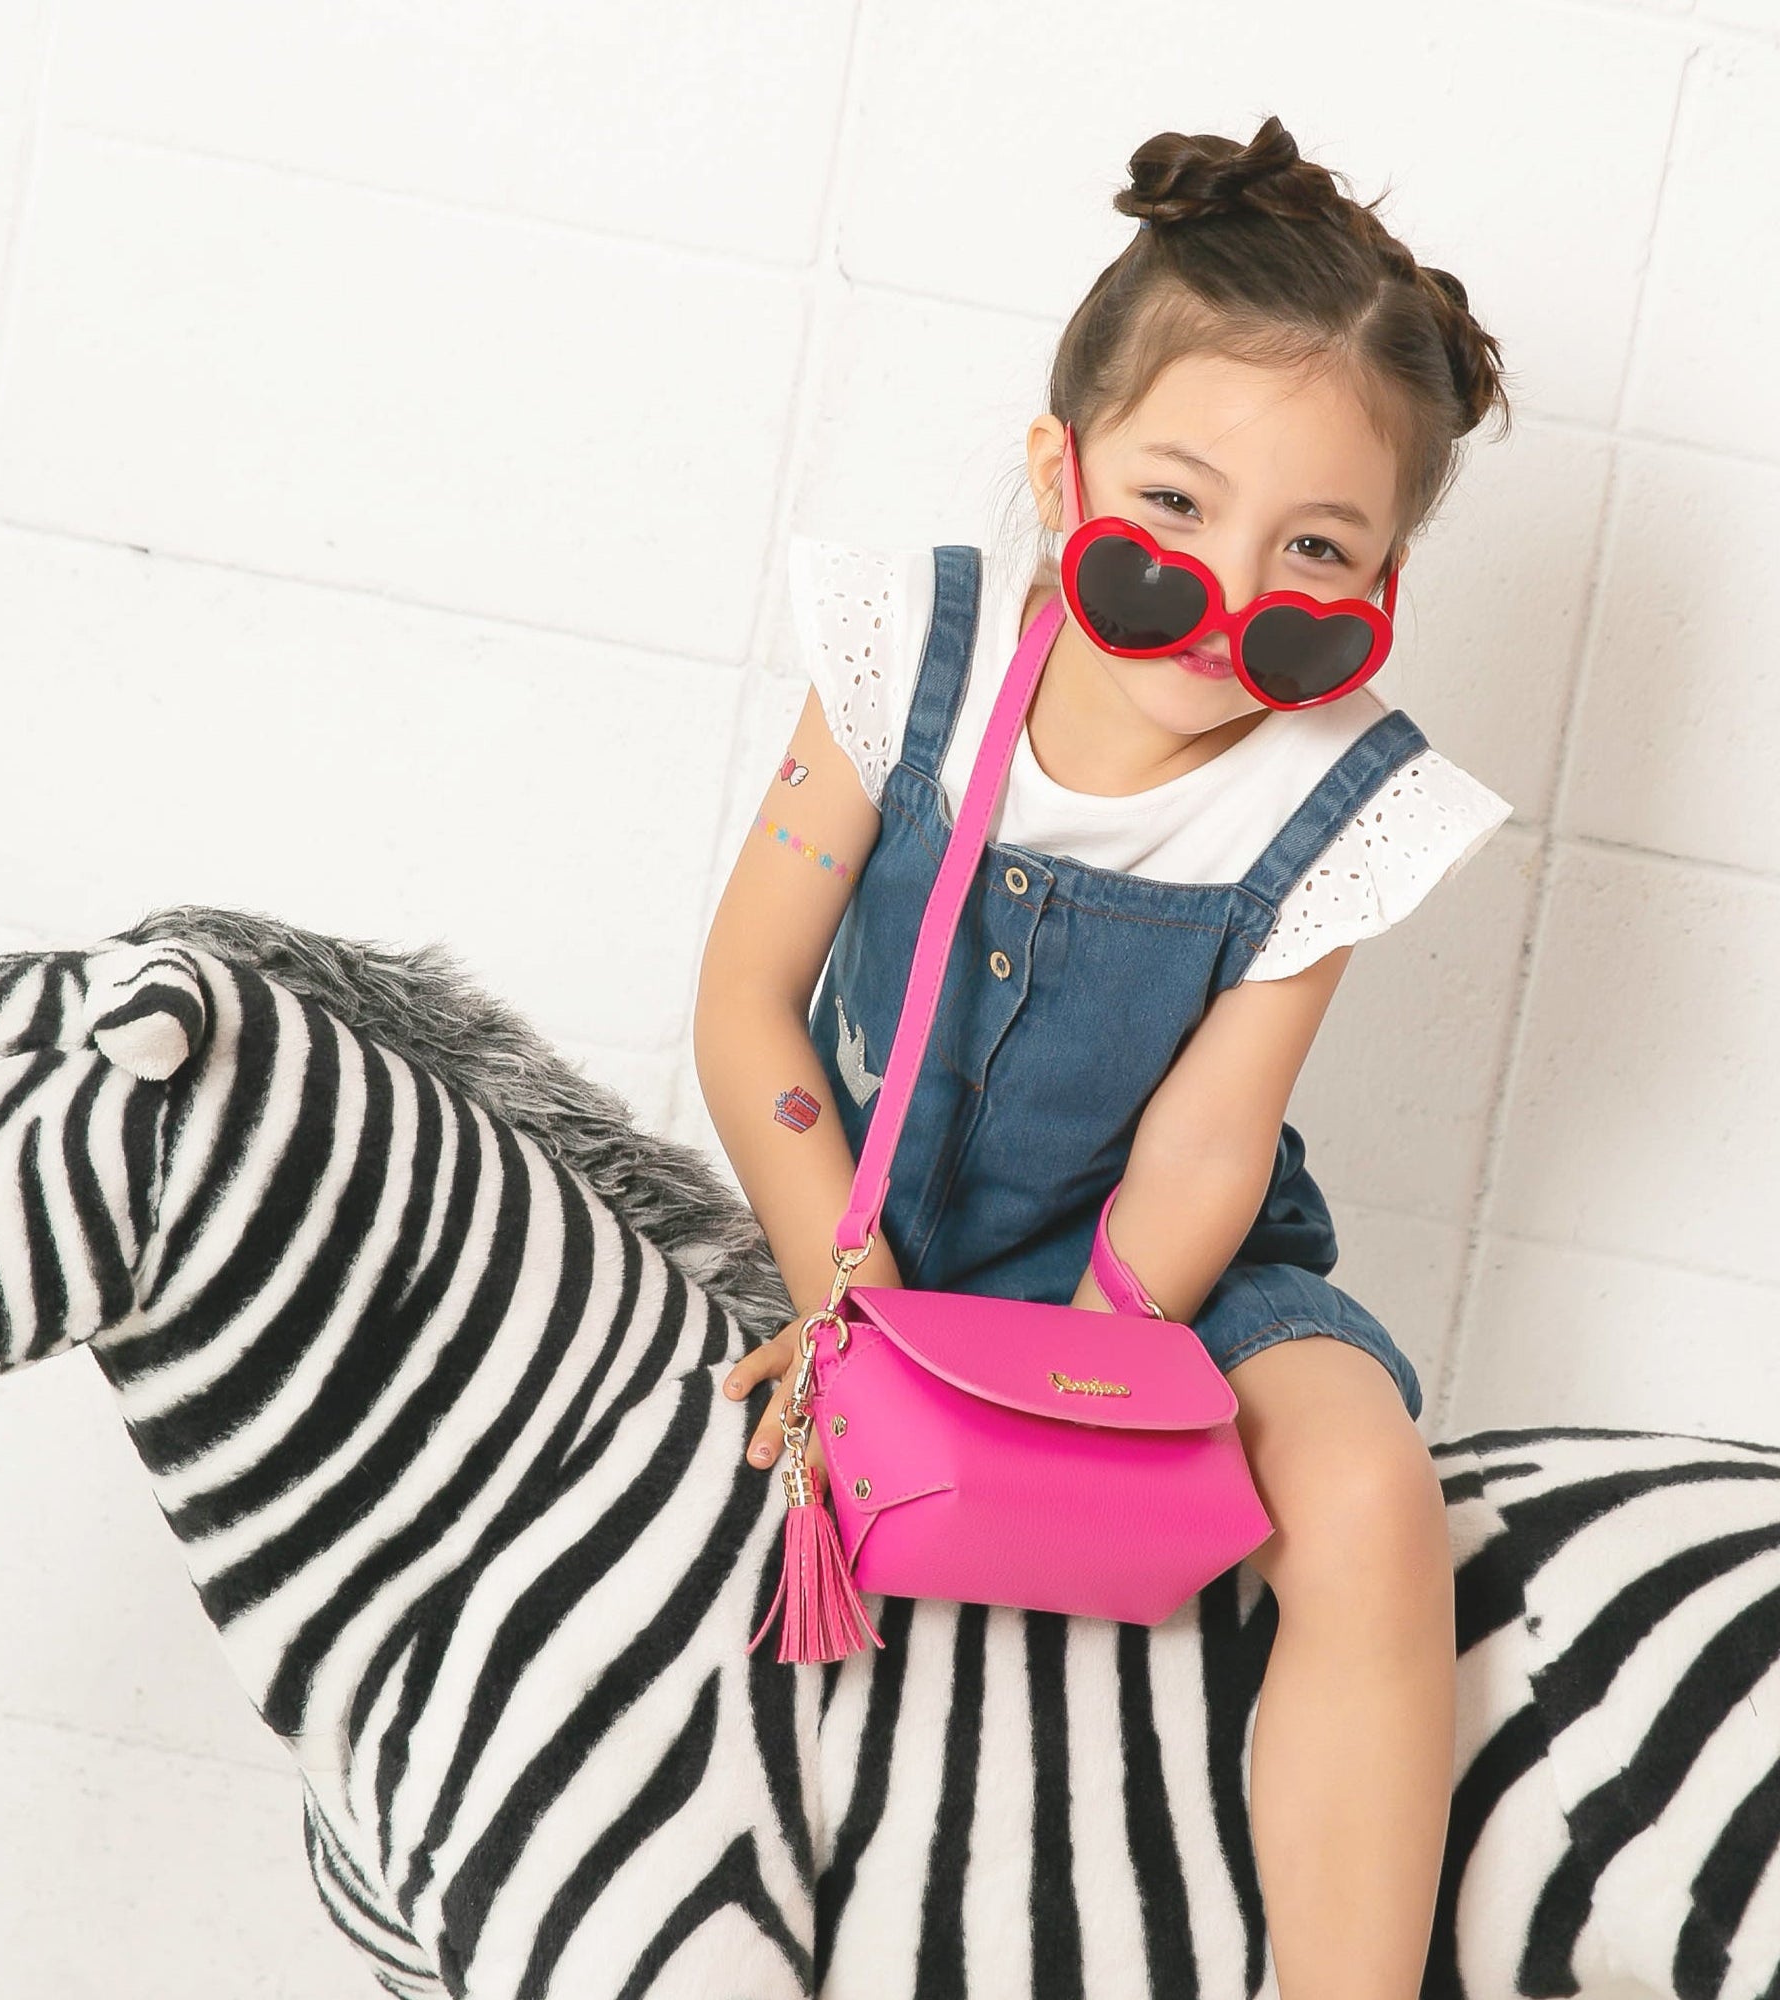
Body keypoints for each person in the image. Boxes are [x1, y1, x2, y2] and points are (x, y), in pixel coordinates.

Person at [691, 113, 1514, 1998]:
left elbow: (1209, 1153)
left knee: (1371, 1488)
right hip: (856, 1235)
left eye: (1313, 551)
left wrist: (1082, 1381)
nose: (1228, 594)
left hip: (1171, 1283)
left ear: (1386, 575)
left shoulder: (1340, 797)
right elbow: (749, 1005)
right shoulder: (913, 660)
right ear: (1063, 472)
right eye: (1174, 511)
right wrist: (851, 1310)